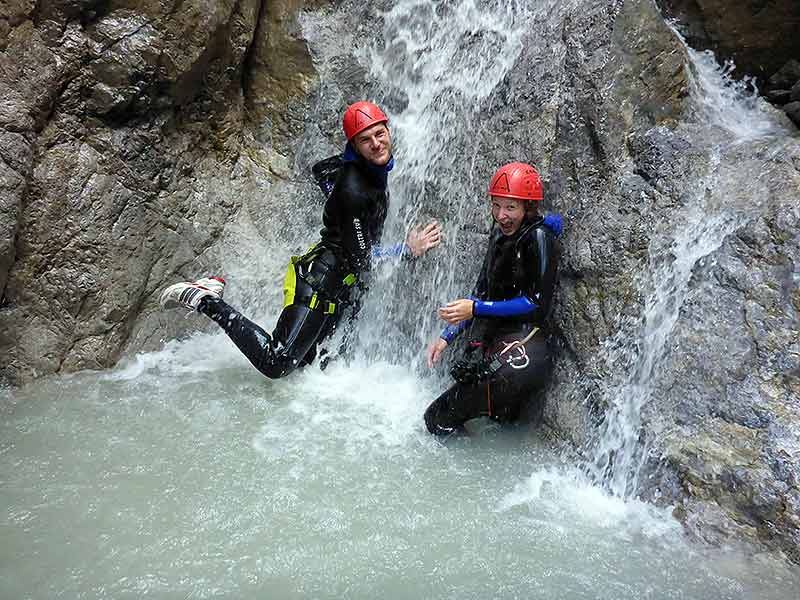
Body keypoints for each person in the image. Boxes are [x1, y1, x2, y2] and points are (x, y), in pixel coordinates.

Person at [159, 101, 441, 379]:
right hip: (320, 282)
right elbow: (362, 257)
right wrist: (407, 249)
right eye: (366, 140)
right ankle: (205, 298)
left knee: (309, 367)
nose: (377, 144)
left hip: (340, 285)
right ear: (354, 146)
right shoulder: (354, 192)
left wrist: (334, 204)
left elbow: (322, 170)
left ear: (388, 131)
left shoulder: (367, 168)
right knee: (277, 362)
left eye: (380, 134)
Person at [423, 162, 561, 435]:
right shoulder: (499, 234)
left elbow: (536, 303)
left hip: (525, 346)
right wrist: (447, 335)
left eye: (510, 207)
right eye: (496, 206)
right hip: (499, 344)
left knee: (437, 419)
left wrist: (475, 309)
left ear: (527, 207)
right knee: (488, 422)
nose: (501, 215)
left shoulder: (539, 237)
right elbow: (482, 291)